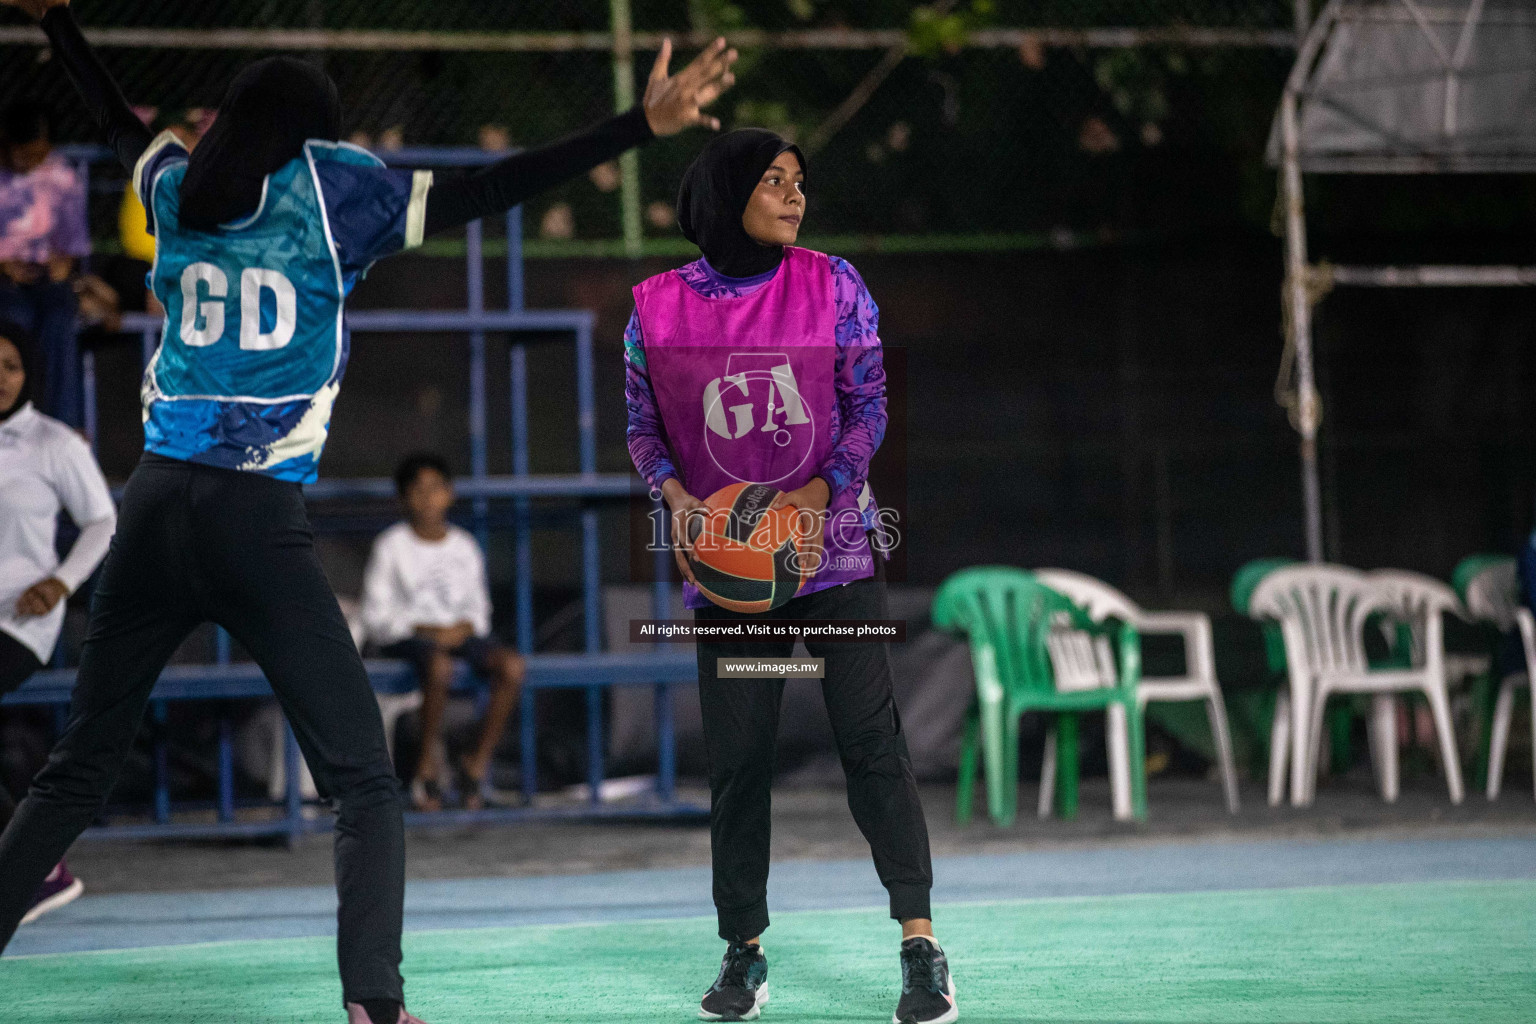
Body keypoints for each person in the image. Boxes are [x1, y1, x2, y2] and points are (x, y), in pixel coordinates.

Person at [0, 3, 735, 1022]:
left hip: (154, 508)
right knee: (363, 782)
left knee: (76, 770)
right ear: (311, 132)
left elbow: (126, 130)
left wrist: (62, 28)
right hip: (255, 522)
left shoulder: (174, 187)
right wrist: (634, 128)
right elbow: (493, 186)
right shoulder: (338, 195)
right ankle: (376, 1006)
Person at [623, 129, 958, 1024]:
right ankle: (744, 952)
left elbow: (869, 404)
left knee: (870, 741)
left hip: (833, 547)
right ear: (724, 194)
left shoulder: (833, 284)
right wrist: (675, 498)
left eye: (799, 181)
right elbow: (642, 427)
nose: (794, 194)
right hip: (732, 568)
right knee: (738, 759)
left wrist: (819, 491)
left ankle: (921, 944)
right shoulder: (655, 309)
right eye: (772, 180)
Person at [0, 322, 114, 923]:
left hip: (21, 620)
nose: (0, 377)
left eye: (11, 365)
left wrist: (61, 583)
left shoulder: (52, 442)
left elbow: (102, 521)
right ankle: (30, 865)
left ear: (29, 375)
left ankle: (39, 869)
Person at [363, 454, 525, 812]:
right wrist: (427, 630)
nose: (428, 499)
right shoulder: (390, 546)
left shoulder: (464, 545)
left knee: (512, 667)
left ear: (449, 494)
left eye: (436, 489)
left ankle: (475, 762)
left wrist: (460, 629)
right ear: (404, 498)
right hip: (410, 640)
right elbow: (377, 617)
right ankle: (426, 765)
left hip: (460, 638)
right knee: (438, 668)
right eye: (417, 491)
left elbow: (480, 611)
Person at [0, 99, 90, 425]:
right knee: (14, 317)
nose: (28, 162)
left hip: (44, 278)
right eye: (22, 154)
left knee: (59, 317)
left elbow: (72, 246)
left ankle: (59, 427)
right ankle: (12, 422)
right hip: (4, 281)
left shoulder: (62, 178)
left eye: (36, 155)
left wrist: (60, 266)